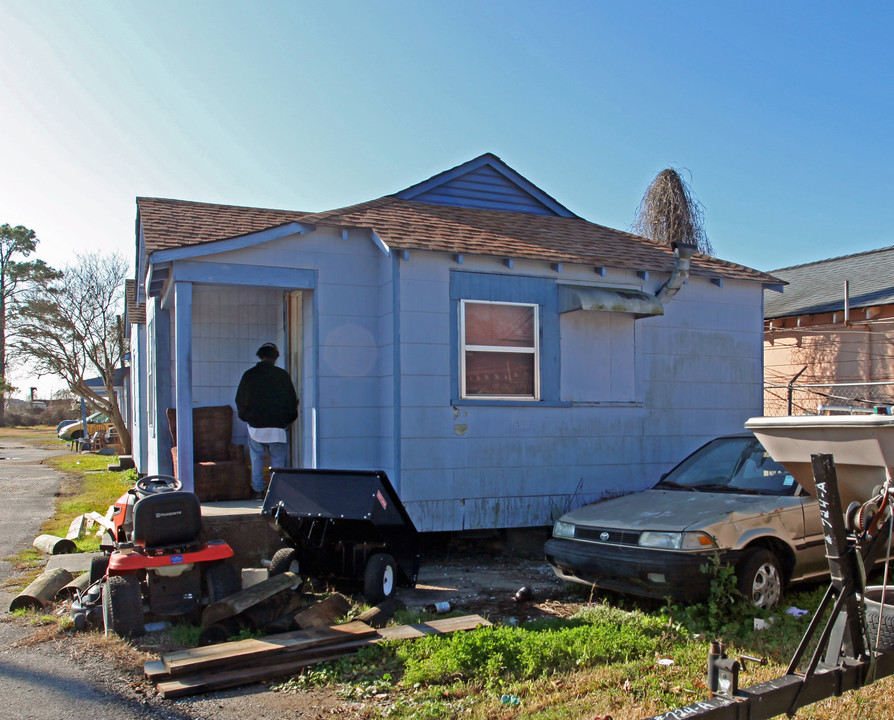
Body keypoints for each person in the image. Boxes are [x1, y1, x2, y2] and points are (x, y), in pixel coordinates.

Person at [235, 342, 299, 500]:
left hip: (256, 425)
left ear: (260, 356)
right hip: (278, 425)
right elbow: (291, 400)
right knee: (278, 459)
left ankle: (258, 491)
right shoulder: (282, 375)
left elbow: (240, 400)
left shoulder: (249, 375)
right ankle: (276, 492)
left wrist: (247, 418)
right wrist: (288, 420)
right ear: (275, 358)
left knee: (257, 458)